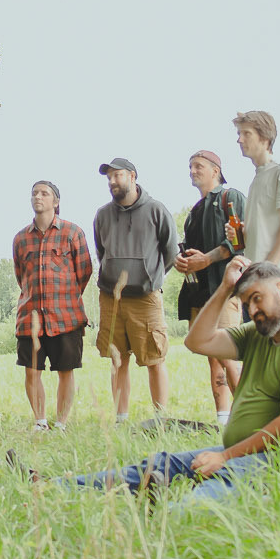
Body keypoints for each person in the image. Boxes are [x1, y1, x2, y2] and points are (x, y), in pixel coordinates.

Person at [60, 259, 280, 503]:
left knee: (209, 495)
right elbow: (198, 341)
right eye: (246, 303)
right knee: (160, 463)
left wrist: (226, 457)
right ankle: (58, 486)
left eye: (257, 298)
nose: (253, 310)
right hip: (238, 452)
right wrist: (223, 290)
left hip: (279, 457)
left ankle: (170, 517)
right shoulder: (260, 332)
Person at [92, 158, 177, 421]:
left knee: (154, 357)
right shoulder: (102, 215)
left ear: (132, 176)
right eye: (109, 178)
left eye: (117, 176)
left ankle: (160, 419)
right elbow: (101, 252)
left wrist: (150, 277)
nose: (112, 182)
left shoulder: (156, 210)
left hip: (146, 298)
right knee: (117, 359)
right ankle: (121, 419)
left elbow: (170, 252)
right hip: (111, 298)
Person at [11, 180, 94, 429]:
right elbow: (20, 275)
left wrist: (66, 297)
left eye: (44, 193)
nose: (38, 196)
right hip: (31, 317)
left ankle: (61, 423)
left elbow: (84, 271)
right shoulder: (20, 239)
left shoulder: (73, 233)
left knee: (66, 370)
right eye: (34, 193)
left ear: (56, 202)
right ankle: (40, 421)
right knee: (31, 371)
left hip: (65, 315)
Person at [173, 149, 248, 424]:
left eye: (198, 165)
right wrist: (182, 262)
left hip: (225, 289)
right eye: (190, 166)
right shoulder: (193, 212)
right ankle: (223, 420)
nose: (193, 171)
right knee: (212, 356)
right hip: (199, 292)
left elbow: (240, 242)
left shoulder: (231, 197)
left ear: (215, 170)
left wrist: (208, 259)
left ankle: (249, 417)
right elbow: (193, 252)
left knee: (229, 356)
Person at [231, 111, 280, 292]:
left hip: (275, 277)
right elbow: (261, 231)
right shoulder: (256, 180)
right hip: (253, 276)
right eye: (239, 134)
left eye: (246, 133)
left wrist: (268, 269)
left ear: (265, 139)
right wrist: (240, 232)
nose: (239, 140)